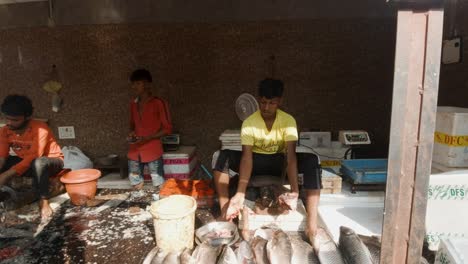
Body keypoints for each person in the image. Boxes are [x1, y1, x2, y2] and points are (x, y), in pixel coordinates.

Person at [213, 78, 322, 246]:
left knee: (312, 161)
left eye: (271, 103)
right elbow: (246, 157)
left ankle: (312, 224)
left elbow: (291, 157)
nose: (266, 107)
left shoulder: (288, 121)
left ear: (280, 101)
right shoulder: (250, 123)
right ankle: (224, 214)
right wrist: (240, 192)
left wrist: (294, 191)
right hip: (255, 162)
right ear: (258, 100)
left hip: (279, 163)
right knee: (222, 156)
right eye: (263, 102)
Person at [0, 95, 64, 219]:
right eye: (7, 118)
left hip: (51, 163)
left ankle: (43, 201)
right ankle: (4, 195)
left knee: (38, 163)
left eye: (15, 120)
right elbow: (2, 157)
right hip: (28, 164)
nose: (9, 123)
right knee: (9, 162)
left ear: (27, 117)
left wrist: (5, 175)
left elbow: (34, 157)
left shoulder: (40, 129)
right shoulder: (4, 131)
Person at [127, 69, 172, 190]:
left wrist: (148, 137)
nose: (134, 86)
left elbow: (168, 129)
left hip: (153, 149)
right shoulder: (133, 103)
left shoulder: (159, 103)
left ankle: (160, 205)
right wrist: (131, 132)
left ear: (147, 84)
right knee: (135, 182)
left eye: (138, 83)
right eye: (133, 84)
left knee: (159, 183)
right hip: (135, 150)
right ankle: (138, 204)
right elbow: (132, 124)